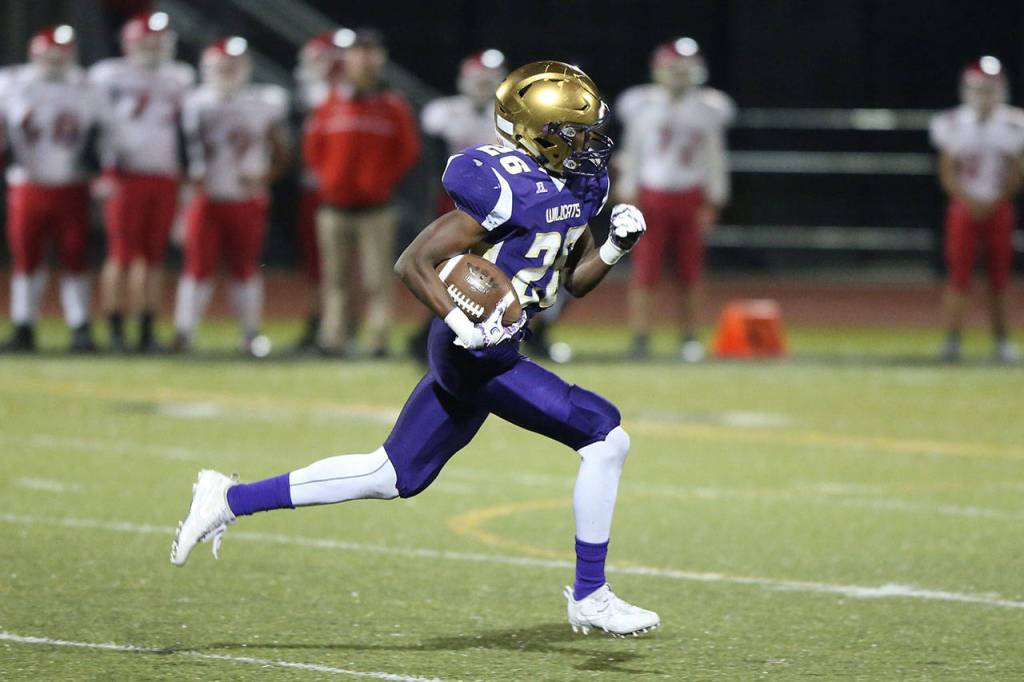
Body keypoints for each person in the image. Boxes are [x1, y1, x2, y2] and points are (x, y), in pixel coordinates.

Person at [171, 61, 660, 637]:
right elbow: (412, 262)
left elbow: (572, 280)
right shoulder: (505, 185)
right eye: (576, 134)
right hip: (472, 346)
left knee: (392, 474)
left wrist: (613, 250)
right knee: (605, 436)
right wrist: (463, 322)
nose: (591, 146)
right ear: (537, 134)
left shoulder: (583, 183)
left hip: (499, 338)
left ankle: (229, 498)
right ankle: (591, 595)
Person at [615, 37, 734, 362]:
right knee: (644, 271)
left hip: (691, 195)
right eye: (673, 68)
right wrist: (629, 193)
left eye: (685, 69)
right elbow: (633, 152)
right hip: (651, 196)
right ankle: (640, 337)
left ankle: (690, 336)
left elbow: (714, 157)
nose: (679, 75)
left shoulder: (710, 107)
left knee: (690, 272)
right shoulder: (642, 104)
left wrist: (714, 200)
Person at [303, 28, 420, 357]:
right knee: (335, 279)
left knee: (377, 279)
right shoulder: (330, 103)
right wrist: (329, 180)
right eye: (358, 51)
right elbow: (313, 149)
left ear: (379, 58)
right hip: (334, 206)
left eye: (370, 52)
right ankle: (334, 338)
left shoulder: (392, 105)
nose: (364, 59)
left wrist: (380, 181)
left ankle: (378, 340)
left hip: (376, 207)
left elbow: (407, 152)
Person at [173, 37, 290, 355]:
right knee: (197, 266)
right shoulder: (195, 103)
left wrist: (263, 176)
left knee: (245, 267)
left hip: (247, 199)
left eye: (233, 66)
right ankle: (184, 333)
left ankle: (250, 334)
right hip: (205, 197)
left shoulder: (262, 102)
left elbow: (281, 154)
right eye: (222, 66)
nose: (228, 71)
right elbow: (181, 153)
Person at [0, 25, 111, 353]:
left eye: (62, 54)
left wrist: (104, 170)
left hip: (72, 184)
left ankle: (80, 325)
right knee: (25, 257)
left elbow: (108, 133)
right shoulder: (12, 82)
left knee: (75, 256)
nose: (56, 60)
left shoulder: (88, 86)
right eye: (50, 54)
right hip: (26, 182)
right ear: (35, 54)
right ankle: (24, 324)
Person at [89, 11, 195, 353]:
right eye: (147, 41)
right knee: (120, 255)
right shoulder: (108, 75)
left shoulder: (179, 77)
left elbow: (185, 133)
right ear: (130, 43)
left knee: (153, 256)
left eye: (158, 42)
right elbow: (95, 127)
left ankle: (146, 329)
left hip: (163, 175)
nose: (153, 48)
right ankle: (116, 329)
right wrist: (103, 169)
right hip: (125, 176)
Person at [408, 49, 507, 362]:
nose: (483, 83)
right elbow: (429, 163)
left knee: (488, 273)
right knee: (447, 271)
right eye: (478, 77)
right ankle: (431, 337)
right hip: (453, 205)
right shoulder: (444, 112)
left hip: (498, 209)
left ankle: (445, 337)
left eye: (490, 78)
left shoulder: (509, 115)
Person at [930, 56, 1023, 363]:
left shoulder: (1014, 123)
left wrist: (994, 201)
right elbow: (947, 172)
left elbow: (1017, 172)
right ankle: (952, 341)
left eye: (990, 89)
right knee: (959, 277)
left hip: (998, 207)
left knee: (998, 279)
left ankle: (1000, 342)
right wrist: (971, 202)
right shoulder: (952, 123)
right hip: (963, 208)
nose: (985, 95)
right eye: (980, 88)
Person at [290, 30, 347, 352]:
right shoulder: (320, 95)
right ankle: (321, 323)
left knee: (335, 267)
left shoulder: (340, 97)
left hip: (336, 190)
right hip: (314, 187)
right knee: (317, 265)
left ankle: (330, 326)